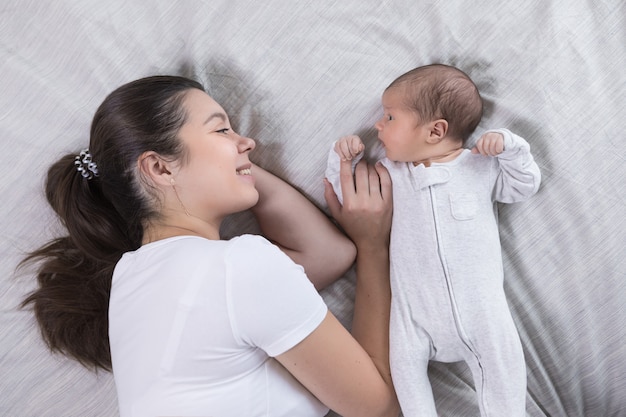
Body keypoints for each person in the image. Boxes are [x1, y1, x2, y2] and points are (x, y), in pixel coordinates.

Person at [20, 75, 399, 417]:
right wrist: (375, 246)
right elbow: (380, 409)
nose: (247, 142)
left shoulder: (131, 279)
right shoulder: (238, 267)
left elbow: (326, 255)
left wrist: (232, 165)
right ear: (159, 168)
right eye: (221, 130)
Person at [326, 64, 541, 417]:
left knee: (505, 376)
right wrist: (341, 160)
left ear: (435, 130)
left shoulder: (480, 167)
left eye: (390, 117)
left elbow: (524, 185)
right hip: (414, 319)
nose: (378, 125)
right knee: (406, 375)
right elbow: (347, 193)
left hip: (483, 314)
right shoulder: (391, 173)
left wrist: (509, 147)